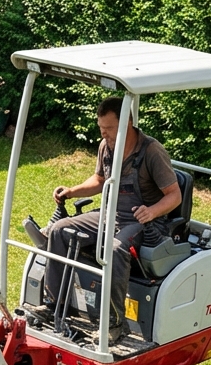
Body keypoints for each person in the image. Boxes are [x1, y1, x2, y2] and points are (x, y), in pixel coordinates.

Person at [43, 97, 181, 343]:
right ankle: (53, 304)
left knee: (116, 249)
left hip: (143, 221)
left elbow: (174, 196)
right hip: (109, 215)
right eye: (101, 128)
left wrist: (151, 212)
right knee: (58, 230)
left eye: (109, 128)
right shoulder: (105, 147)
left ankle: (115, 324)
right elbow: (98, 181)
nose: (104, 134)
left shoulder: (151, 151)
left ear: (127, 122)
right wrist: (72, 191)